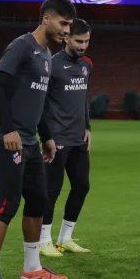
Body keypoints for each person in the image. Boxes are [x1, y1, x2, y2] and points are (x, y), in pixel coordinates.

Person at [0, 0, 77, 279]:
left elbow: (39, 103)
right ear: (46, 19)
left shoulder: (47, 55)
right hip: (6, 138)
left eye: (69, 25)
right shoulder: (22, 46)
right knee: (6, 204)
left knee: (38, 200)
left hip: (30, 142)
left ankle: (32, 270)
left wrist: (46, 136)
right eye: (63, 23)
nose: (67, 31)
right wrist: (9, 129)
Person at [38, 19, 95, 259]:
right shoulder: (51, 65)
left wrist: (88, 127)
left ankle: (65, 238)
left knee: (82, 186)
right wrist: (46, 136)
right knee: (52, 190)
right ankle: (43, 241)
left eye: (87, 41)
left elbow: (82, 100)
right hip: (57, 138)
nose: (83, 46)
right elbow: (40, 103)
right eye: (78, 41)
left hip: (78, 137)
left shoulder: (87, 65)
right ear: (67, 38)